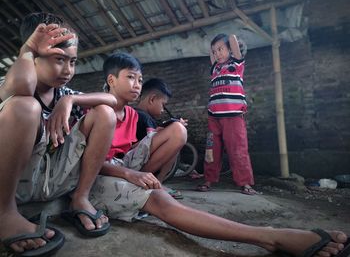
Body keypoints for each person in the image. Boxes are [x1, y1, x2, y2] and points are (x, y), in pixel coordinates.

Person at [89, 52, 349, 257]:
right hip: (99, 174)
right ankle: (268, 236)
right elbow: (87, 164)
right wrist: (130, 174)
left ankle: (149, 186)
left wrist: (142, 169)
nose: (137, 85)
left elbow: (138, 148)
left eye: (140, 79)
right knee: (161, 203)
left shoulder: (134, 115)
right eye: (131, 78)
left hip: (124, 165)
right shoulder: (99, 110)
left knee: (177, 130)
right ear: (111, 80)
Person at [0, 12, 116, 256]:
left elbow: (112, 99)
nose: (67, 70)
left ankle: (80, 197)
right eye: (58, 59)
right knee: (25, 107)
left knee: (105, 113)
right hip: (13, 182)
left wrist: (70, 100)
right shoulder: (11, 83)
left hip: (50, 180)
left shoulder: (63, 93)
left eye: (72, 61)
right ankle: (4, 212)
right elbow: (20, 89)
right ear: (33, 58)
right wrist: (27, 50)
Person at [197, 33, 256, 195]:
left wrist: (228, 39)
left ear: (231, 50)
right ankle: (208, 181)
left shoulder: (237, 64)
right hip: (214, 117)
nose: (217, 54)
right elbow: (213, 52)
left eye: (221, 49)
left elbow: (232, 39)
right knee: (211, 150)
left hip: (233, 116)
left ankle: (245, 184)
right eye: (214, 51)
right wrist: (214, 48)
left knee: (238, 149)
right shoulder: (214, 68)